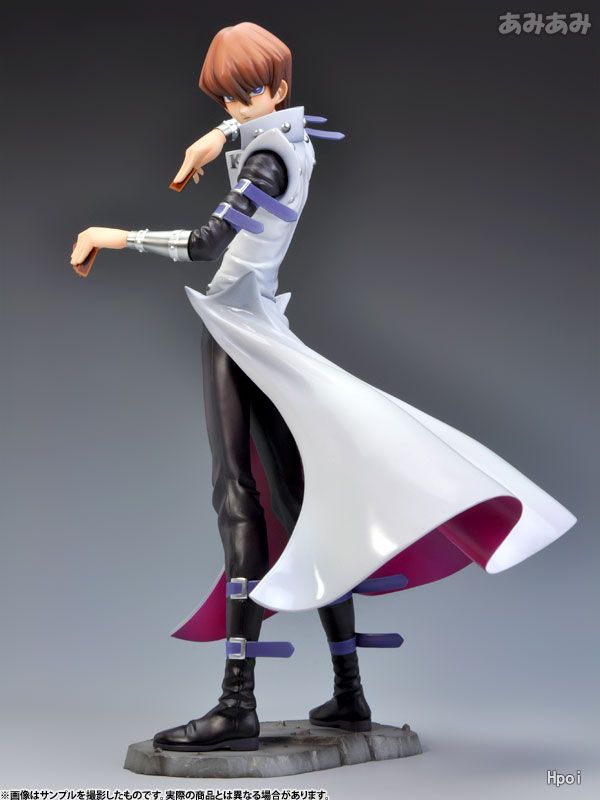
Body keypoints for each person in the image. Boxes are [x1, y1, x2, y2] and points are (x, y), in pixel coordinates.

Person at [71, 22, 577, 754]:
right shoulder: (294, 137)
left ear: (277, 86)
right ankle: (349, 692)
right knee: (300, 503)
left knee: (238, 501)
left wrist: (110, 236)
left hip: (239, 332)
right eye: (228, 98)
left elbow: (206, 245)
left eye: (248, 94)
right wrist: (219, 134)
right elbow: (263, 128)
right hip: (259, 325)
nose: (238, 106)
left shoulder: (264, 162)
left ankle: (237, 704)